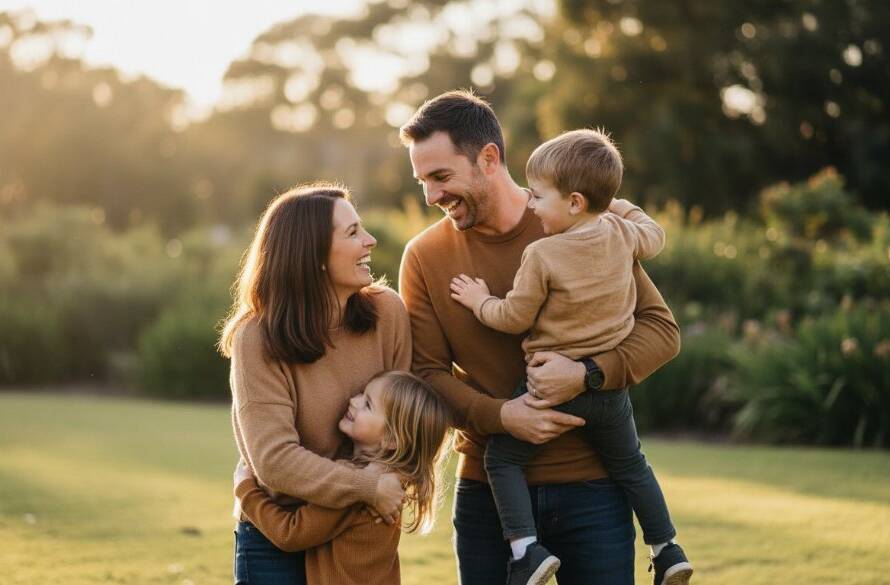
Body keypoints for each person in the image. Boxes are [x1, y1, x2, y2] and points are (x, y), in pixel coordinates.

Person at [398, 90, 681, 585]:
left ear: (489, 158)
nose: (430, 197)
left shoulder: (583, 226)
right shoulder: (423, 256)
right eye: (422, 181)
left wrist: (587, 375)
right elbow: (426, 374)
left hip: (593, 489)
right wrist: (503, 415)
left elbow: (661, 330)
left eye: (441, 177)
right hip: (489, 499)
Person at [219, 182, 411, 585]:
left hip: (359, 526)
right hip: (277, 531)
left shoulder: (387, 313)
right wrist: (366, 484)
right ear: (314, 256)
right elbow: (274, 462)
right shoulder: (257, 337)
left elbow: (406, 424)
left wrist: (375, 488)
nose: (370, 240)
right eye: (353, 233)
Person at [233, 370, 453, 585]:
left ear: (391, 439)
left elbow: (290, 534)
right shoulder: (393, 481)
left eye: (367, 404)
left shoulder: (354, 489)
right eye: (362, 394)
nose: (354, 401)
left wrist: (246, 491)